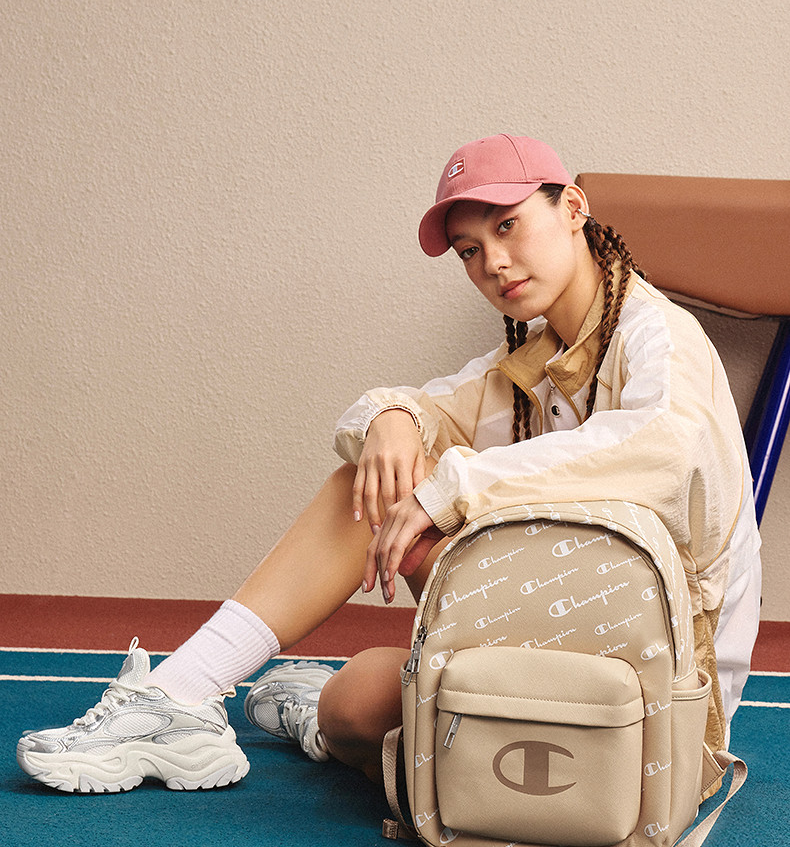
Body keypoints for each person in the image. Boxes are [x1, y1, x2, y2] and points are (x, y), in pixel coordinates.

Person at [17, 133, 761, 794]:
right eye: (469, 249)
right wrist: (393, 418)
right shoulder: (529, 364)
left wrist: (454, 483)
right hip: (561, 654)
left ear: (571, 208)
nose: (493, 262)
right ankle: (187, 699)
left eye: (507, 225)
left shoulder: (661, 336)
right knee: (352, 697)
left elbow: (661, 448)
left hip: (664, 697)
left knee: (402, 561)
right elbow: (400, 413)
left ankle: (207, 698)